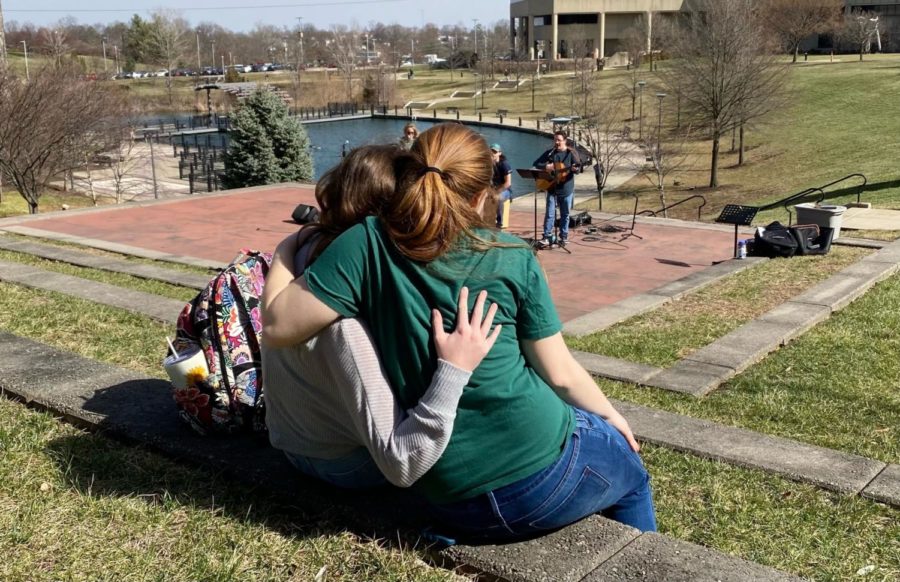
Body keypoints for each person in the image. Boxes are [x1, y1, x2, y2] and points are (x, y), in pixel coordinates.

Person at [263, 123, 656, 541]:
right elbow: (559, 374)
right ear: (480, 195)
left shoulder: (363, 243)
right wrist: (612, 417)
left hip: (453, 498)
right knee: (631, 477)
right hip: (541, 477)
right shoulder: (512, 255)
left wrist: (287, 247)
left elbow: (276, 325)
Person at [264, 145, 502, 489]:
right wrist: (455, 369)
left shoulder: (304, 258)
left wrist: (284, 249)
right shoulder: (343, 316)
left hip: (296, 438)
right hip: (339, 462)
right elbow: (401, 462)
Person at [533, 130, 581, 248]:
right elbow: (536, 163)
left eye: (559, 140)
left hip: (566, 189)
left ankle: (563, 237)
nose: (556, 142)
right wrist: (546, 166)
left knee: (565, 214)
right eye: (555, 140)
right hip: (552, 188)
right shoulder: (550, 153)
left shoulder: (571, 153)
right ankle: (546, 236)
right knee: (550, 213)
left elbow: (578, 168)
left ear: (565, 141)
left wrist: (575, 169)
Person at [490, 143, 512, 229]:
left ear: (499, 153)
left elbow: (508, 183)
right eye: (491, 151)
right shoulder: (488, 164)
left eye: (495, 152)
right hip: (492, 188)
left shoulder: (504, 165)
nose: (492, 154)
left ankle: (499, 222)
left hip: (505, 190)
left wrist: (497, 191)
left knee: (498, 198)